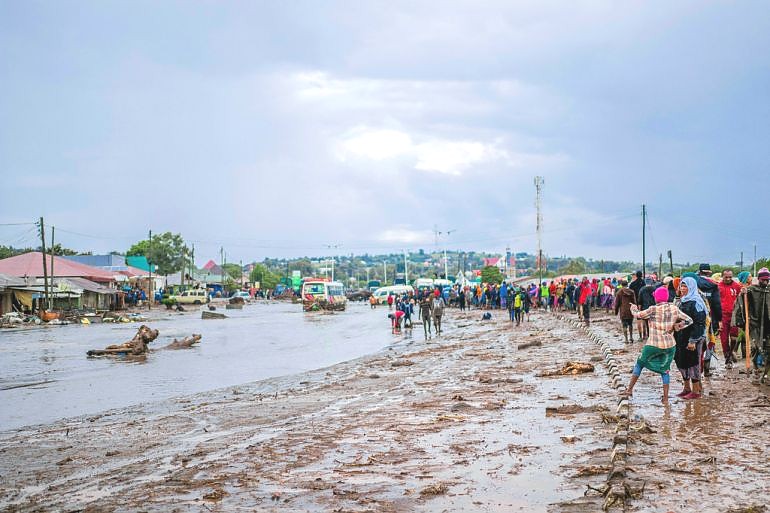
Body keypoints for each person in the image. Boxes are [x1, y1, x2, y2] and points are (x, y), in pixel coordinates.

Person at [624, 287, 693, 403]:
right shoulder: (674, 308)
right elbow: (689, 320)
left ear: (656, 298)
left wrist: (633, 308)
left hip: (653, 344)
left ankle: (629, 390)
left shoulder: (653, 309)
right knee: (665, 370)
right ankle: (665, 398)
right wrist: (678, 326)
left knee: (640, 364)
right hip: (670, 346)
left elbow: (637, 315)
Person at [732, 267, 770, 382]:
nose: (765, 282)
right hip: (755, 324)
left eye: (767, 280)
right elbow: (741, 302)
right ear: (758, 279)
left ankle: (765, 374)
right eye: (763, 280)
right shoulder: (752, 289)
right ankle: (756, 369)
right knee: (756, 348)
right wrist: (743, 293)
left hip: (768, 325)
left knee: (768, 349)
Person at [674, 277, 708, 399]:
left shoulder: (697, 302)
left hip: (694, 337)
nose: (682, 289)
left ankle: (696, 390)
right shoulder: (681, 301)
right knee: (681, 361)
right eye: (681, 286)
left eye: (685, 286)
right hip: (682, 336)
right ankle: (686, 388)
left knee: (693, 362)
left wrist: (693, 340)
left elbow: (699, 323)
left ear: (691, 287)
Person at [718, 269, 743, 367]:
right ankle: (727, 359)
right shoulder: (718, 287)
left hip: (733, 316)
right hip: (722, 316)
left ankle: (731, 352)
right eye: (726, 277)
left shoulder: (736, 286)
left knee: (734, 338)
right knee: (724, 340)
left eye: (730, 277)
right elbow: (714, 303)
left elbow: (744, 295)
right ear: (722, 276)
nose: (728, 279)